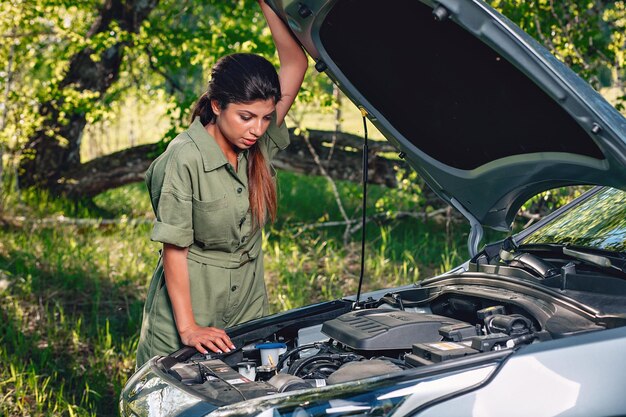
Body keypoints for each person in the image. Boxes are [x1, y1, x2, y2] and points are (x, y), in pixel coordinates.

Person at [135, 1, 307, 367]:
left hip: (248, 308)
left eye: (265, 117)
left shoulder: (257, 140)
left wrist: (269, 4)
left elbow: (296, 63)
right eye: (246, 117)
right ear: (216, 105)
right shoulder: (184, 157)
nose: (258, 129)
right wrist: (189, 328)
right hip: (188, 312)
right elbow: (174, 249)